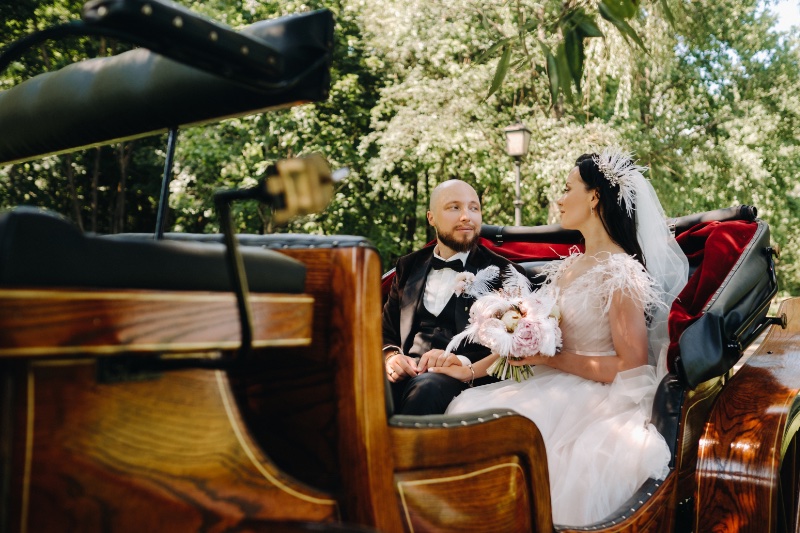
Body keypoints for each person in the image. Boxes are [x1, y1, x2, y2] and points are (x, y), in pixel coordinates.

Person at [434, 149, 689, 526]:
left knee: (524, 437)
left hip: (596, 396)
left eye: (568, 187)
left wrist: (549, 361)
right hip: (549, 380)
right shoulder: (570, 265)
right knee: (465, 411)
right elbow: (531, 335)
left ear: (594, 197)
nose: (560, 197)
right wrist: (470, 369)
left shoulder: (621, 273)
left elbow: (632, 366)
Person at [382, 179, 526, 415]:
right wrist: (392, 357)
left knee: (425, 390)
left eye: (474, 208)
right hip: (407, 371)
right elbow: (386, 330)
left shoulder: (506, 274)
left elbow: (514, 346)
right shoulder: (409, 266)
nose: (466, 216)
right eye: (454, 207)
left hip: (463, 379)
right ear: (431, 218)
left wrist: (461, 362)